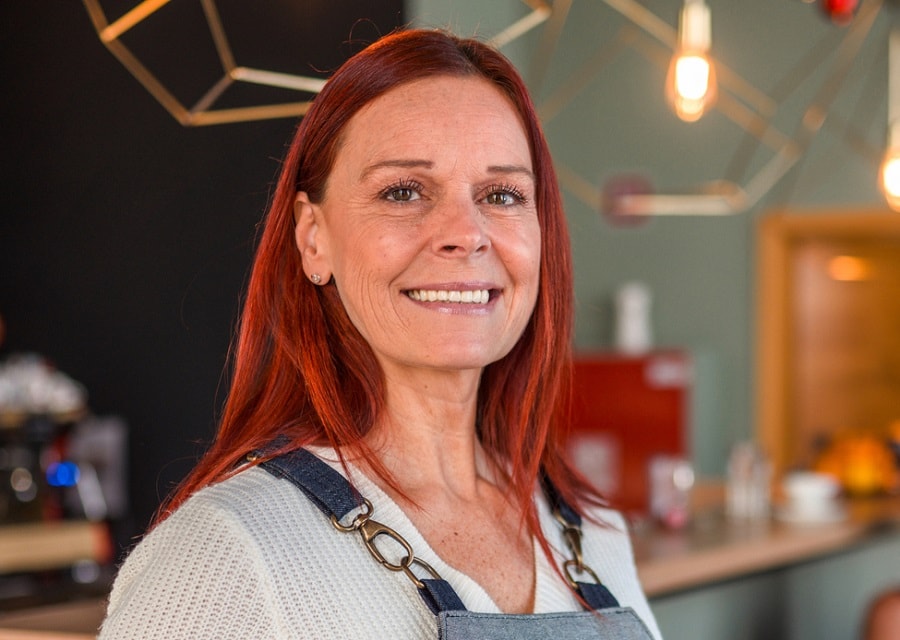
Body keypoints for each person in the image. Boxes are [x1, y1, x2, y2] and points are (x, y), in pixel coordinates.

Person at [99, 28, 662, 639]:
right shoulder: (222, 558)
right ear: (314, 238)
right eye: (403, 191)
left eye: (501, 194)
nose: (466, 233)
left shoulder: (592, 531)